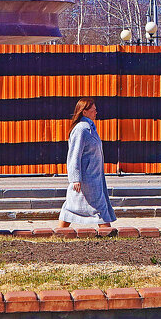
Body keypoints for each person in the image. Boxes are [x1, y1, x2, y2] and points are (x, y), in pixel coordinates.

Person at [58, 97, 116, 229]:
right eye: (93, 110)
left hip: (94, 177)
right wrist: (75, 178)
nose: (96, 112)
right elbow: (74, 155)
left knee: (73, 207)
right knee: (96, 207)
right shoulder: (81, 129)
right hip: (86, 178)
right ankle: (108, 232)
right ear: (84, 112)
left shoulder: (90, 128)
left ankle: (60, 231)